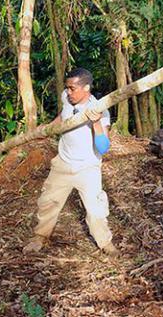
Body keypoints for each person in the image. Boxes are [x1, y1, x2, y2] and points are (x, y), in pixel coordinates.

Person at [23, 68, 118, 256]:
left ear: (86, 88)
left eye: (72, 88)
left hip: (87, 168)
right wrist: (49, 128)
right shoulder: (66, 97)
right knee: (48, 202)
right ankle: (40, 237)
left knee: (95, 209)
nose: (68, 92)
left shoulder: (100, 109)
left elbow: (103, 147)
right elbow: (63, 116)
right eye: (67, 88)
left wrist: (96, 123)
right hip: (63, 163)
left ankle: (105, 243)